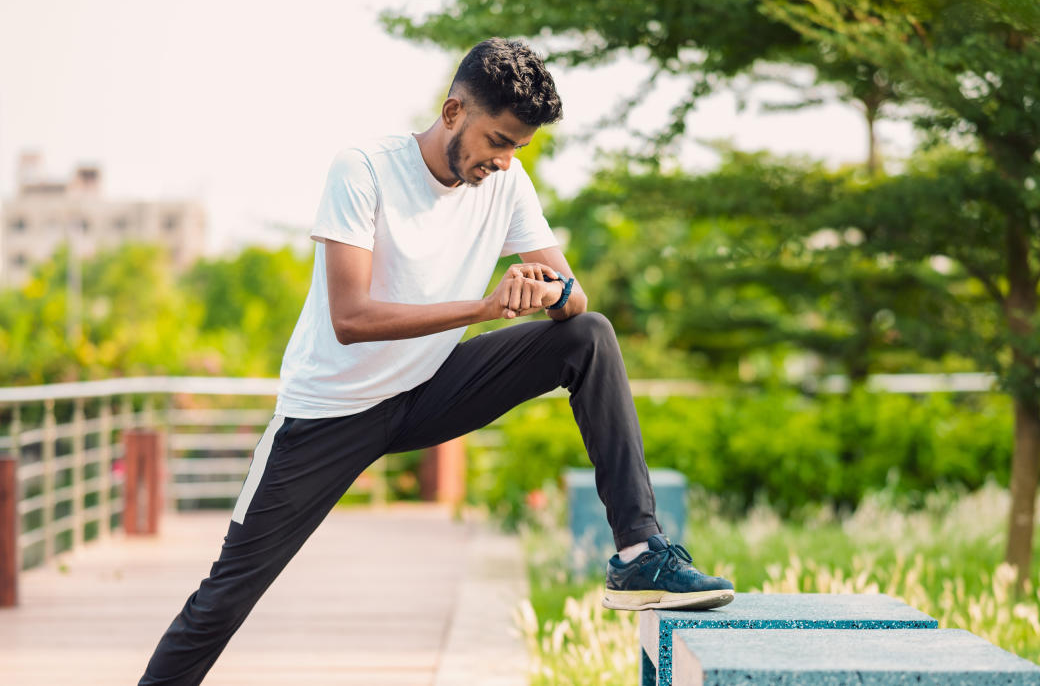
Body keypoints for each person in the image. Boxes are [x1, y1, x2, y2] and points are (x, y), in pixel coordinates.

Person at [138, 37, 733, 684]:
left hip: (427, 390)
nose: (504, 162)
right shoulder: (362, 169)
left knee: (588, 335)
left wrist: (548, 293)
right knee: (225, 598)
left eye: (518, 148)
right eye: (498, 141)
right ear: (453, 113)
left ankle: (639, 552)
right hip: (330, 414)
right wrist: (484, 308)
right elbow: (351, 319)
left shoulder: (506, 185)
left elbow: (575, 296)